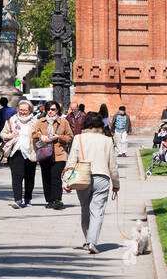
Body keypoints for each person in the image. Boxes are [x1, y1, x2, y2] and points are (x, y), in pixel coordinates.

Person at [63, 110, 119, 254]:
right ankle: (92, 241)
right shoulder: (107, 140)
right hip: (102, 177)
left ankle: (88, 239)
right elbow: (112, 164)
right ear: (100, 124)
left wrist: (66, 181)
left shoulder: (79, 138)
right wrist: (116, 184)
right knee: (97, 211)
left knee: (85, 210)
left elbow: (71, 161)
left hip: (82, 177)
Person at [32, 101, 73, 209]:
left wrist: (58, 137)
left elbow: (70, 137)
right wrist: (41, 137)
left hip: (59, 154)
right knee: (46, 177)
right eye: (48, 109)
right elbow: (34, 134)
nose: (50, 111)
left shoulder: (63, 122)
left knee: (56, 177)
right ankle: (49, 200)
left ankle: (57, 200)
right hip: (44, 153)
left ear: (58, 110)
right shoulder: (40, 121)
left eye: (53, 109)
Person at [1, 98, 38, 209]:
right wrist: (9, 136)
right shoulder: (12, 120)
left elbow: (39, 135)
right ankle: (17, 199)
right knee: (17, 177)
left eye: (25, 110)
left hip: (30, 152)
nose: (22, 112)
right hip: (16, 152)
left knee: (29, 177)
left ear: (30, 110)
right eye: (20, 109)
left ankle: (28, 198)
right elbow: (3, 133)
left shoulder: (35, 122)